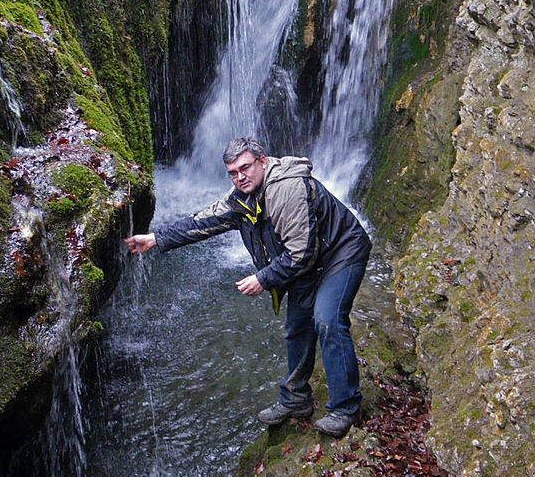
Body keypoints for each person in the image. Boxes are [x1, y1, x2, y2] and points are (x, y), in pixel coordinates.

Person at [124, 137, 371, 438]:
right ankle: (296, 399)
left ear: (262, 161)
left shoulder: (286, 189)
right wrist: (156, 238)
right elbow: (205, 221)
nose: (240, 177)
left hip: (341, 251)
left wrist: (263, 278)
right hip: (309, 262)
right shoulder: (243, 198)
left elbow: (301, 253)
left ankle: (345, 407)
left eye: (245, 168)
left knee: (327, 320)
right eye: (233, 172)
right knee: (297, 327)